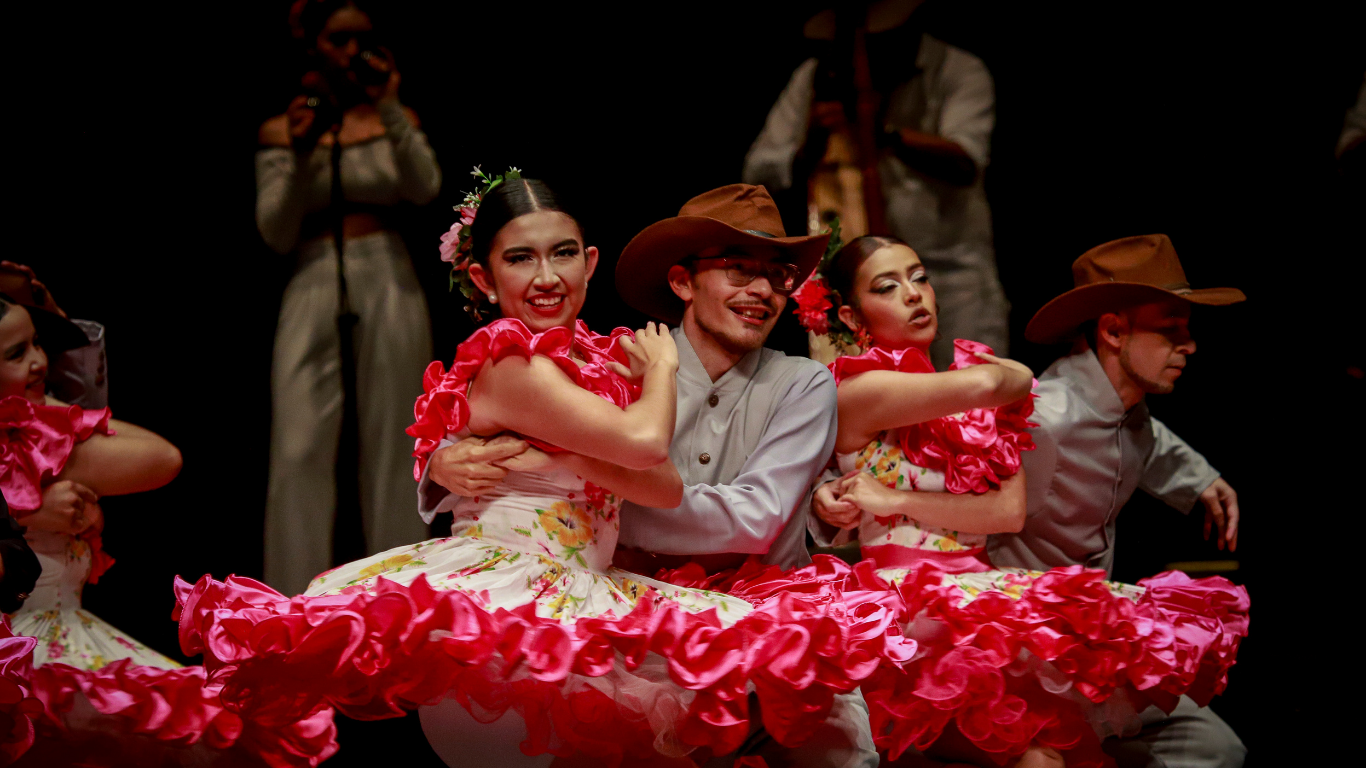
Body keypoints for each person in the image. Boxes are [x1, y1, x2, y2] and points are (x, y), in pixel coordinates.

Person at [176, 176, 902, 767]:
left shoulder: (625, 361)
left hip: (622, 593)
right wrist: (446, 466)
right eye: (522, 258)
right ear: (481, 275)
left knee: (816, 699)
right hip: (516, 593)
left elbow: (684, 489)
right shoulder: (565, 357)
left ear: (589, 262)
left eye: (561, 255)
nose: (547, 276)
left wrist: (562, 457)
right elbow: (634, 448)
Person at [427, 183, 884, 768]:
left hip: (756, 624)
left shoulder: (801, 383)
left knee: (838, 746)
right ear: (682, 282)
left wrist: (576, 475)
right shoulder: (621, 363)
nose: (762, 290)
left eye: (777, 274)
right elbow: (496, 412)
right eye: (738, 269)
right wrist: (443, 461)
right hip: (630, 628)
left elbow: (754, 520)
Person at [804, 235, 1249, 768]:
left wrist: (891, 496)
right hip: (908, 610)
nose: (915, 295)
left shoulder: (975, 399)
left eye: (920, 277)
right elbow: (1003, 380)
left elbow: (1005, 509)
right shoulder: (866, 390)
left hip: (981, 600)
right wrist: (835, 497)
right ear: (853, 317)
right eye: (888, 286)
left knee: (1054, 752)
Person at [0, 287, 338, 766]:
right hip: (25, 651)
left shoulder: (37, 437)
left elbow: (110, 429)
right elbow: (159, 458)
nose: (39, 360)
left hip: (64, 632)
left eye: (39, 343)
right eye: (17, 353)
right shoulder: (23, 444)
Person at [984, 234, 1249, 768]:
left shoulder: (1131, 411)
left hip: (1097, 644)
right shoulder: (1042, 419)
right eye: (1171, 329)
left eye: (1187, 330)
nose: (1190, 345)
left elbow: (1142, 440)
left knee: (1217, 749)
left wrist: (1202, 478)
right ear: (1112, 331)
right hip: (1026, 658)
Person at [259, 0, 441, 595]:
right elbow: (274, 231)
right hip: (313, 272)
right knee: (298, 445)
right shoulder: (286, 128)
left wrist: (390, 104)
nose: (352, 50)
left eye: (363, 38)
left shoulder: (394, 116)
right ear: (314, 46)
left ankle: (396, 596)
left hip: (387, 271)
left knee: (396, 438)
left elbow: (426, 187)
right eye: (339, 38)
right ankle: (289, 602)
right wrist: (305, 152)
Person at [742, 0, 1006, 368]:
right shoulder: (817, 78)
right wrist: (810, 145)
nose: (862, 51)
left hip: (952, 274)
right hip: (868, 287)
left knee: (972, 398)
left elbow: (966, 162)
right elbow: (757, 171)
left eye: (877, 40)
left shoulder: (957, 69)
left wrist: (881, 132)